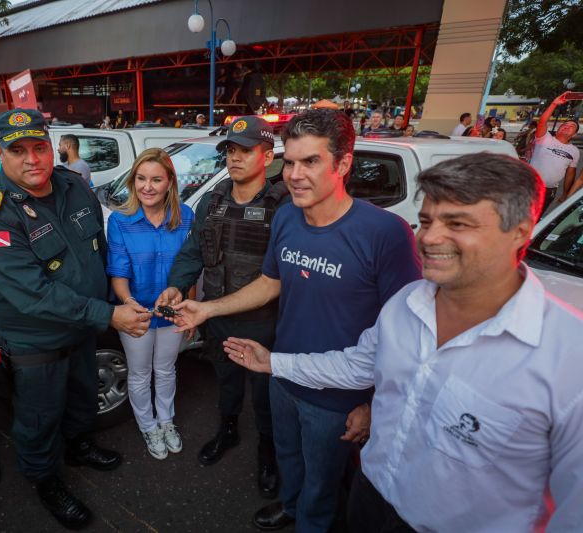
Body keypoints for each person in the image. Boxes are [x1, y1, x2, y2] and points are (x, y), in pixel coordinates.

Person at [225, 153, 583, 533]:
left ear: (520, 231)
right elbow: (358, 365)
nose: (429, 238)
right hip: (370, 499)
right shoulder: (407, 303)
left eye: (457, 223)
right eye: (427, 221)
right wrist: (273, 363)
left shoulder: (568, 358)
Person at [171, 109, 422, 531]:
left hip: (338, 395)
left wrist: (376, 404)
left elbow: (409, 334)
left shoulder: (386, 233)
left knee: (324, 486)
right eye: (290, 162)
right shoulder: (287, 217)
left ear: (343, 164)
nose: (296, 174)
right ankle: (290, 505)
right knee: (289, 459)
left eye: (311, 162)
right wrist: (207, 308)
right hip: (282, 372)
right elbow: (270, 283)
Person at [0, 108, 150, 530]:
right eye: (18, 150)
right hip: (37, 341)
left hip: (83, 326)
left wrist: (113, 300)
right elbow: (35, 296)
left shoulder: (73, 184)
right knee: (39, 417)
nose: (32, 159)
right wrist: (110, 314)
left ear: (52, 146)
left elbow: (95, 249)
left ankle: (78, 445)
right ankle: (45, 480)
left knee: (83, 395)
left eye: (39, 147)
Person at [155, 116, 287, 498]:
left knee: (265, 392)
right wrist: (176, 288)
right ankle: (227, 429)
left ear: (267, 155)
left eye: (245, 151)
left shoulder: (284, 206)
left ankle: (268, 447)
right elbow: (193, 252)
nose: (235, 158)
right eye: (230, 150)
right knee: (226, 380)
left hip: (265, 322)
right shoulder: (213, 200)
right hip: (217, 316)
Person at [107, 148, 194, 459]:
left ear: (169, 182)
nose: (148, 186)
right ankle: (148, 425)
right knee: (140, 373)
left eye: (156, 179)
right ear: (133, 181)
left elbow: (191, 266)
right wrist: (129, 305)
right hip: (137, 315)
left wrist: (192, 310)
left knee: (166, 369)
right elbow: (118, 273)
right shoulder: (120, 221)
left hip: (173, 314)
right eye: (141, 179)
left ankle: (166, 421)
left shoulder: (186, 217)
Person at [529, 92, 580, 212]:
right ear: (558, 129)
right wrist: (554, 104)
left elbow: (570, 174)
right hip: (529, 185)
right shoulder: (545, 138)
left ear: (575, 134)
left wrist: (565, 194)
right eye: (565, 124)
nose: (567, 126)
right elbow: (542, 122)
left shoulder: (575, 151)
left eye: (571, 126)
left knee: (535, 219)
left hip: (549, 191)